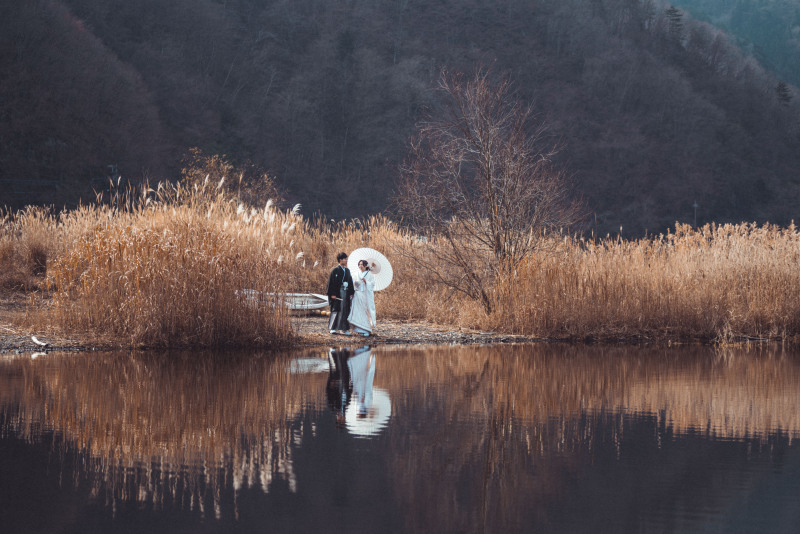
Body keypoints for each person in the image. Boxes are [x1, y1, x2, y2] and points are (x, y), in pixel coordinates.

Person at [326, 252, 354, 334]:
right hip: (337, 293)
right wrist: (332, 294)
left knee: (345, 310)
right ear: (340, 260)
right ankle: (332, 328)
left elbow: (350, 282)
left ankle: (343, 328)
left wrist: (351, 292)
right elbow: (331, 283)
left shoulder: (347, 271)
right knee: (336, 309)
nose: (346, 260)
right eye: (345, 259)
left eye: (346, 259)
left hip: (346, 292)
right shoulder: (335, 270)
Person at [348, 259, 376, 337]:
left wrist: (366, 281)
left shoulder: (370, 275)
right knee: (357, 311)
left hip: (364, 295)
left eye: (362, 264)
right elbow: (352, 283)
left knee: (364, 311)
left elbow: (372, 285)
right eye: (359, 264)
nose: (360, 266)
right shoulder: (356, 274)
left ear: (365, 266)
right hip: (357, 294)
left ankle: (366, 329)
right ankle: (358, 329)